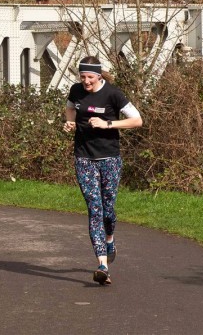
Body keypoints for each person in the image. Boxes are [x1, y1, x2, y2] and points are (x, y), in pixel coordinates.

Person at [63, 56, 142, 286]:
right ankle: (102, 265)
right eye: (82, 77)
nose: (86, 81)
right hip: (84, 158)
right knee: (94, 209)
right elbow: (69, 108)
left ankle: (110, 240)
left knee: (108, 209)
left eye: (90, 77)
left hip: (110, 158)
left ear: (99, 75)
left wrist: (108, 124)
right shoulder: (76, 90)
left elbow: (137, 120)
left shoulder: (113, 94)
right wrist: (69, 123)